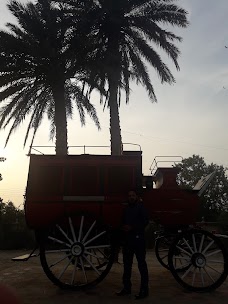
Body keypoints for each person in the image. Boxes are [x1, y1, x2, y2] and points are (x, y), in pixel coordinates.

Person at [116, 190, 149, 299]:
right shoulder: (126, 209)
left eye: (133, 195)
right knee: (127, 266)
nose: (131, 197)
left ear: (136, 197)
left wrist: (132, 227)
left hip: (139, 240)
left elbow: (145, 222)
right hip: (128, 240)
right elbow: (122, 221)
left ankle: (144, 290)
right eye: (129, 195)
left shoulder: (141, 208)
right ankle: (126, 288)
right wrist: (123, 227)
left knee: (141, 265)